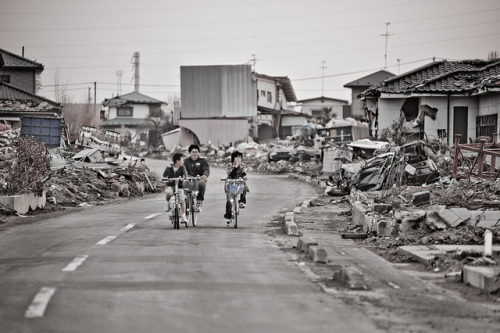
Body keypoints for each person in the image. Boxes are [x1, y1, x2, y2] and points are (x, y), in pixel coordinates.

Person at [224, 150, 249, 226]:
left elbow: (244, 172)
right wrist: (236, 167)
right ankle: (228, 216)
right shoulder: (229, 165)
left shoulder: (242, 165)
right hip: (230, 183)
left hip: (239, 182)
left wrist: (244, 176)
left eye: (240, 158)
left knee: (245, 186)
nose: (238, 159)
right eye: (237, 157)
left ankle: (242, 201)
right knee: (229, 200)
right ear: (233, 158)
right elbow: (230, 175)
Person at [163, 153, 188, 225]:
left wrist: (186, 177)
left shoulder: (182, 167)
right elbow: (164, 175)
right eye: (182, 160)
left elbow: (185, 174)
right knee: (168, 192)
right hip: (170, 185)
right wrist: (168, 167)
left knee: (182, 200)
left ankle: (183, 215)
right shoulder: (170, 167)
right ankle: (167, 203)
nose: (183, 161)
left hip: (179, 186)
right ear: (177, 161)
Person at [183, 144, 210, 210]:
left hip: (198, 179)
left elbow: (206, 169)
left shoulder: (202, 161)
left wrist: (205, 175)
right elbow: (181, 169)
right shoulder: (185, 161)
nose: (195, 154)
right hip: (188, 180)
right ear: (189, 153)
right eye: (193, 152)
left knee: (202, 183)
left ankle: (199, 200)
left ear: (198, 153)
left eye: (196, 152)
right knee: (184, 194)